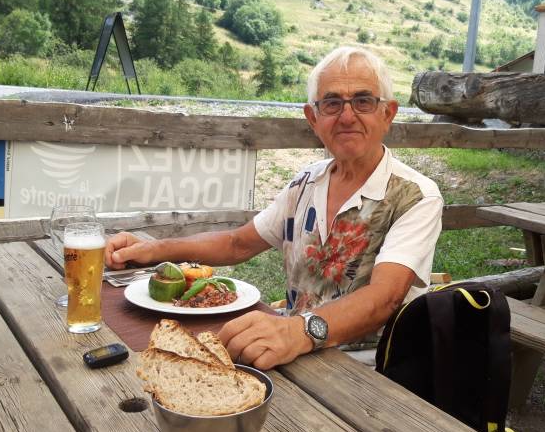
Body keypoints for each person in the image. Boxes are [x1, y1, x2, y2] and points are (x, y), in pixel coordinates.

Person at [104, 46, 443, 369]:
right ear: (313, 118)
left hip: (368, 372)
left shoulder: (416, 196)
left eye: (363, 101)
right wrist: (153, 249)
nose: (347, 116)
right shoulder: (305, 182)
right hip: (291, 354)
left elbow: (384, 297)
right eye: (332, 103)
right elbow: (238, 243)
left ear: (388, 113)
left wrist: (297, 331)